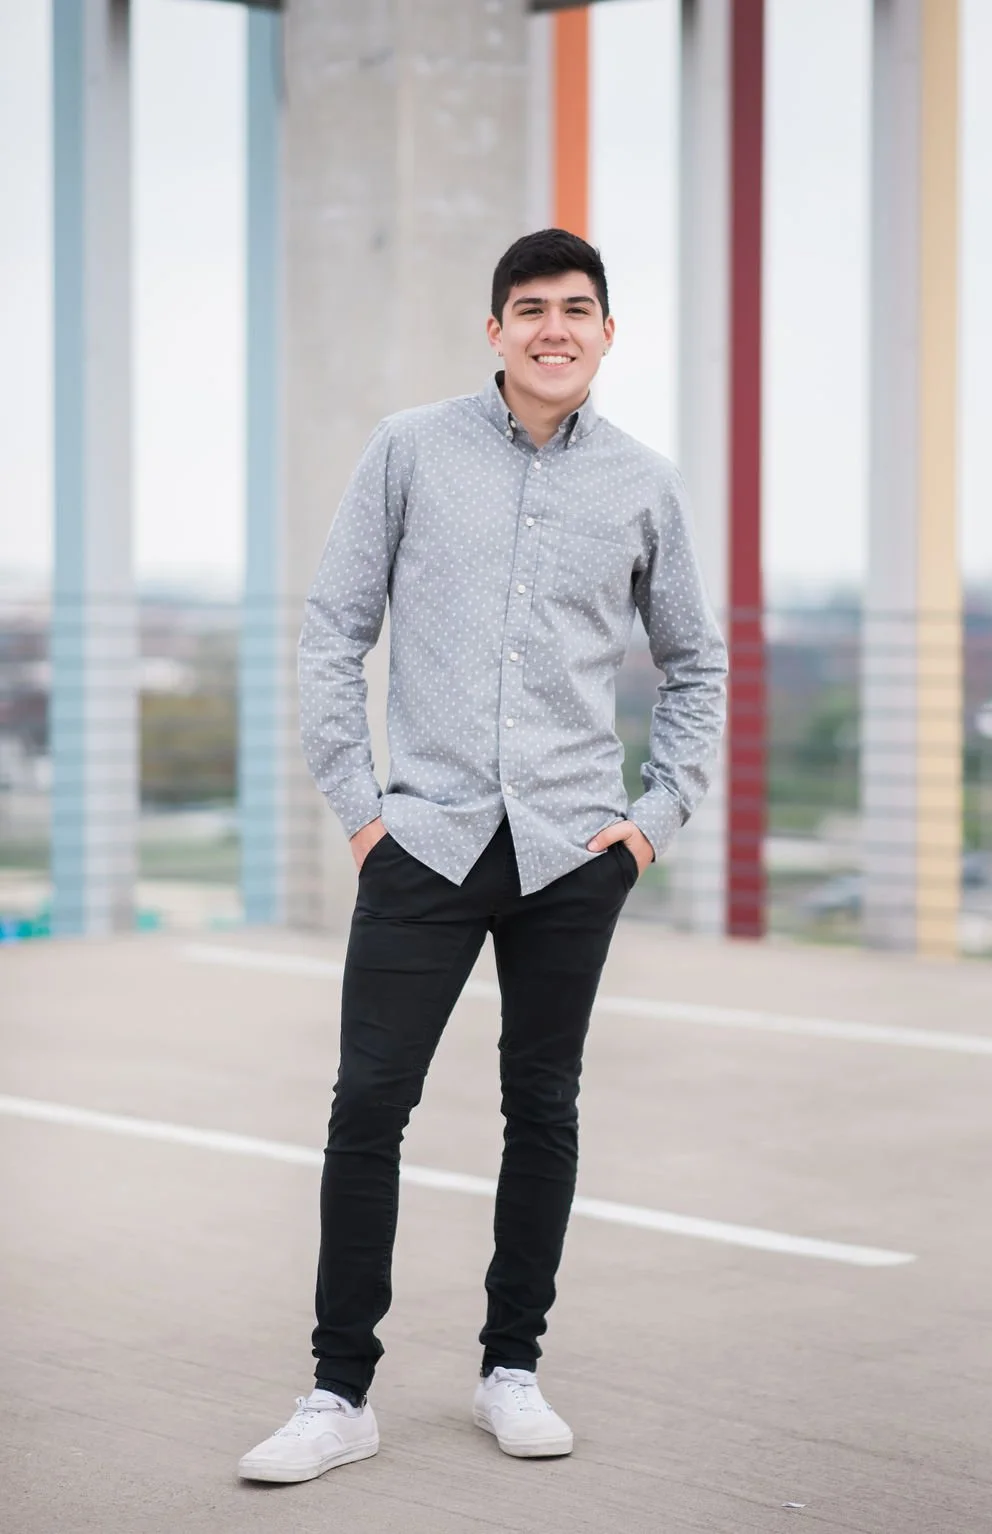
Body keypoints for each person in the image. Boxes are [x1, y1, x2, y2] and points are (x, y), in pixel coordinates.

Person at [238, 228, 727, 1483]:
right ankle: (337, 1392)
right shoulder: (409, 450)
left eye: (577, 308)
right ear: (495, 331)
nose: (553, 327)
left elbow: (695, 662)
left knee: (542, 1107)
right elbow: (332, 630)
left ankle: (513, 1365)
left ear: (607, 333)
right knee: (368, 1107)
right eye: (529, 308)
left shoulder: (642, 482)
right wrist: (361, 809)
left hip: (573, 850)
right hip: (426, 838)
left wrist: (650, 823)